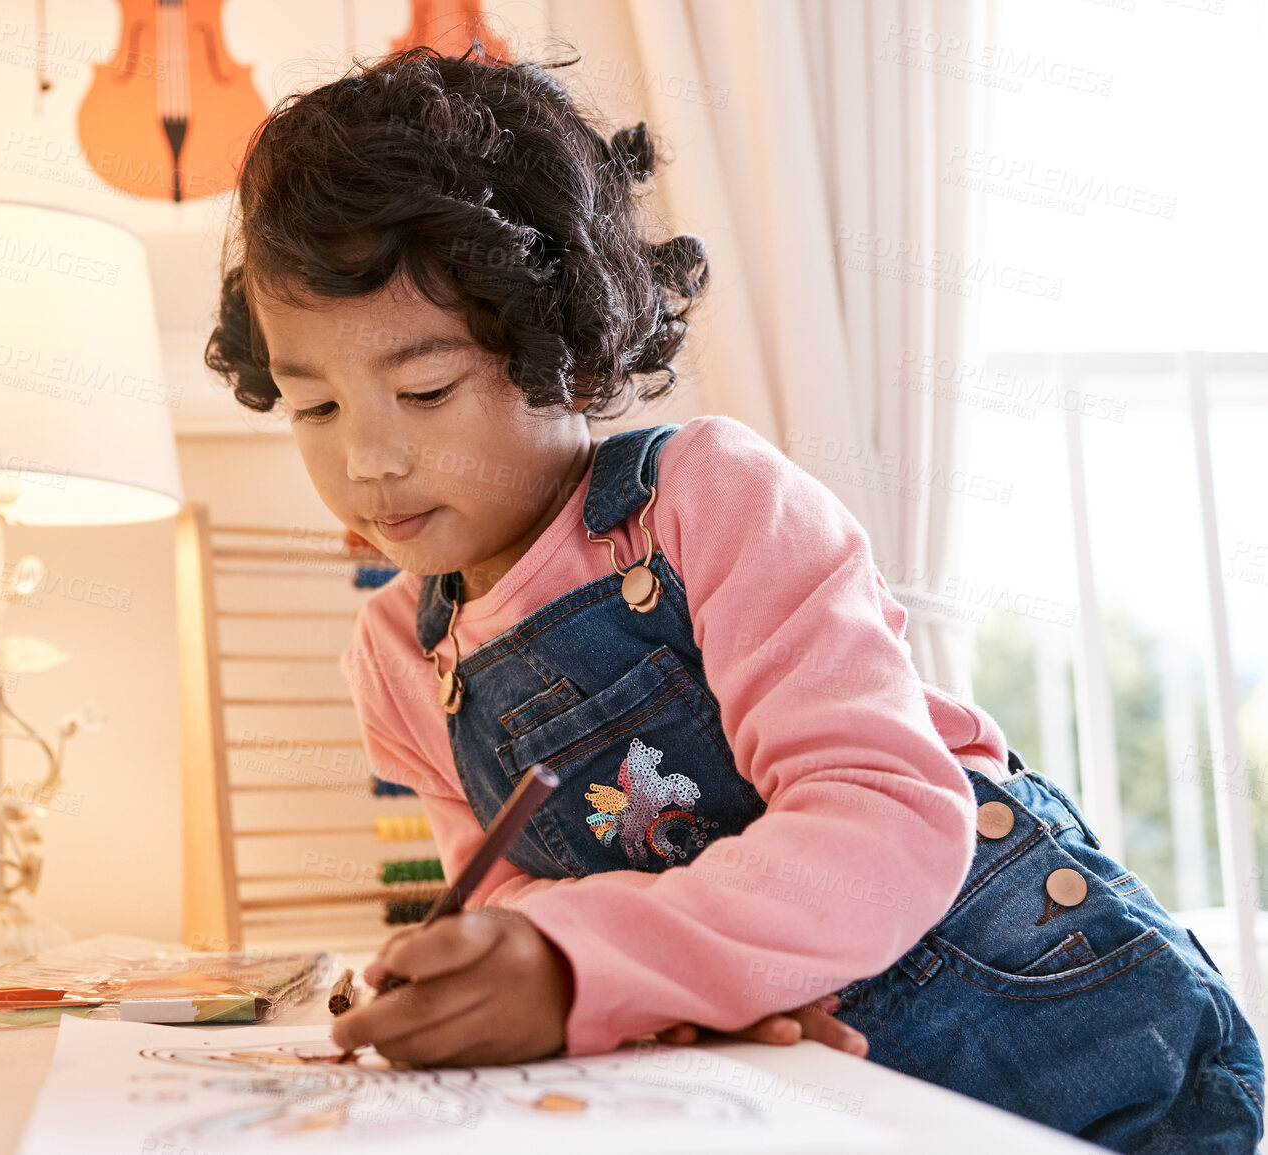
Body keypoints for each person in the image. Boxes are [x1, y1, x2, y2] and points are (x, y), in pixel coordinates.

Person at [202, 42, 1264, 1154]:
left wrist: (577, 967)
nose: (367, 459)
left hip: (1073, 1035)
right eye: (313, 407)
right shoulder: (394, 657)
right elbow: (510, 887)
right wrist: (507, 968)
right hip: (822, 1095)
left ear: (563, 347)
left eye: (424, 389)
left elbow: (883, 815)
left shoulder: (706, 501)